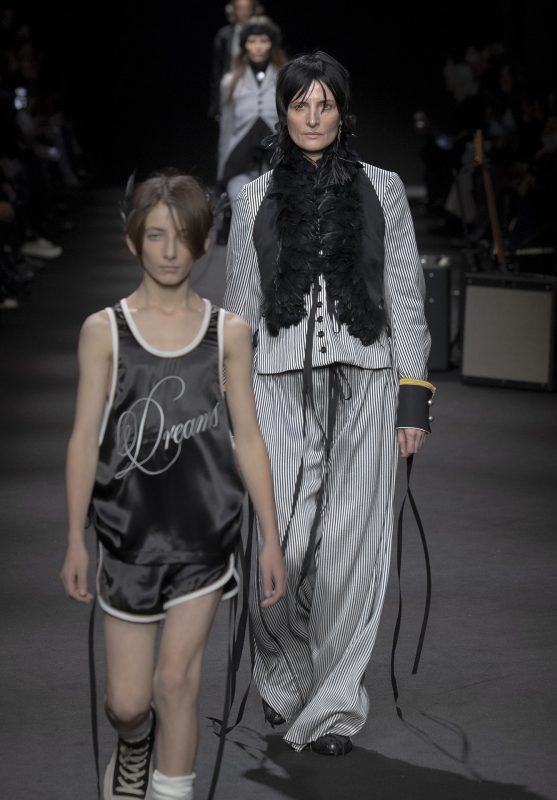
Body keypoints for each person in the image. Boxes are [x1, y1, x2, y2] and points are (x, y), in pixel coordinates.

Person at [223, 50, 434, 757]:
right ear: (282, 113)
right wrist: (231, 403)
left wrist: (414, 401)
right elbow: (239, 313)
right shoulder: (252, 198)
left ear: (343, 113)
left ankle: (335, 708)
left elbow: (405, 295)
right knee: (274, 551)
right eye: (299, 104)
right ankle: (287, 680)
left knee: (349, 554)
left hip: (369, 384)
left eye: (326, 104)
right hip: (275, 386)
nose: (313, 117)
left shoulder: (384, 188)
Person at [59, 171, 286, 800]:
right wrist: (75, 539)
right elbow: (84, 438)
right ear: (132, 242)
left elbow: (248, 438)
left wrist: (268, 537)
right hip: (126, 540)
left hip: (203, 540)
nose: (167, 250)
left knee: (176, 683)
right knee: (129, 704)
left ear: (204, 243)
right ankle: (135, 745)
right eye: (154, 235)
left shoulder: (228, 333)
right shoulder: (103, 331)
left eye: (181, 237)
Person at [217, 16, 285, 206]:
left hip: (277, 156)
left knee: (275, 212)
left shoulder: (285, 78)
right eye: (252, 41)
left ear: (271, 44)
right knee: (243, 207)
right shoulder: (230, 82)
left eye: (263, 41)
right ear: (244, 45)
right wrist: (222, 171)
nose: (258, 46)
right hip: (240, 158)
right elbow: (227, 128)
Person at [208, 0, 264, 123]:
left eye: (247, 8)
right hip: (231, 90)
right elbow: (218, 71)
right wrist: (216, 105)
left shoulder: (264, 34)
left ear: (253, 9)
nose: (243, 12)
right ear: (233, 10)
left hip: (257, 90)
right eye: (240, 8)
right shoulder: (224, 36)